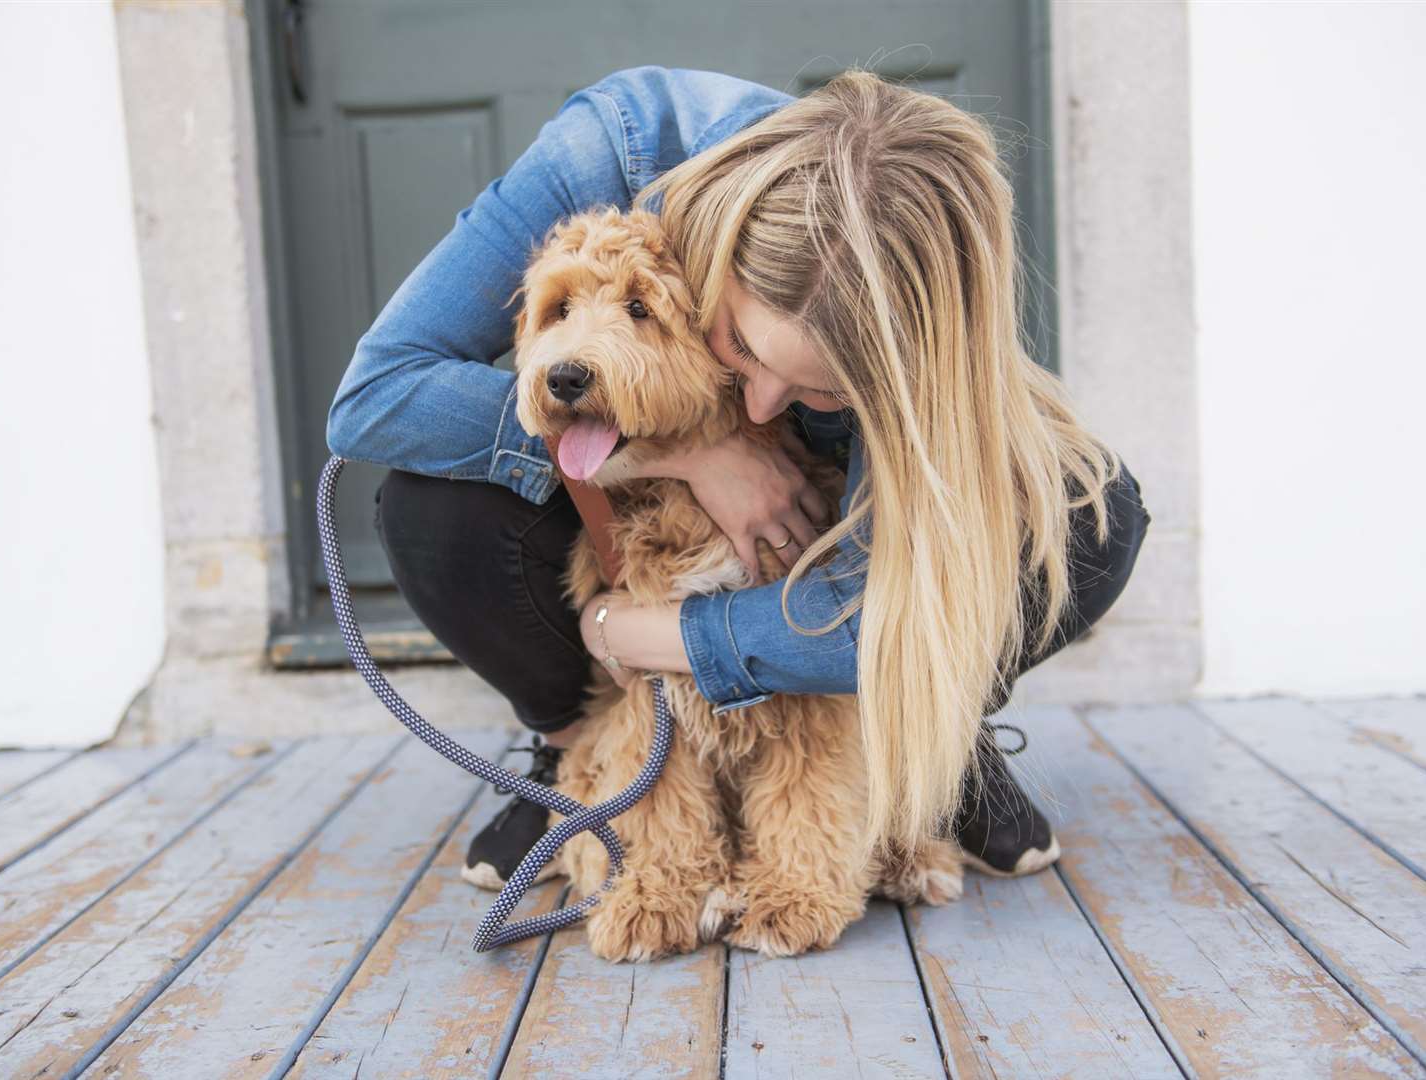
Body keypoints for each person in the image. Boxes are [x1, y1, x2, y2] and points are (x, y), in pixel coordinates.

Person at [327, 65, 1151, 891]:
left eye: (820, 390)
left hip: (821, 552)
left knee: (1086, 516)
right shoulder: (608, 151)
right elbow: (375, 396)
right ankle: (584, 753)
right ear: (721, 258)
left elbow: (866, 614)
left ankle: (924, 736)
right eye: (745, 349)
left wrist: (635, 632)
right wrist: (692, 452)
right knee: (428, 510)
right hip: (635, 519)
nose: (762, 403)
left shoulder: (914, 291)